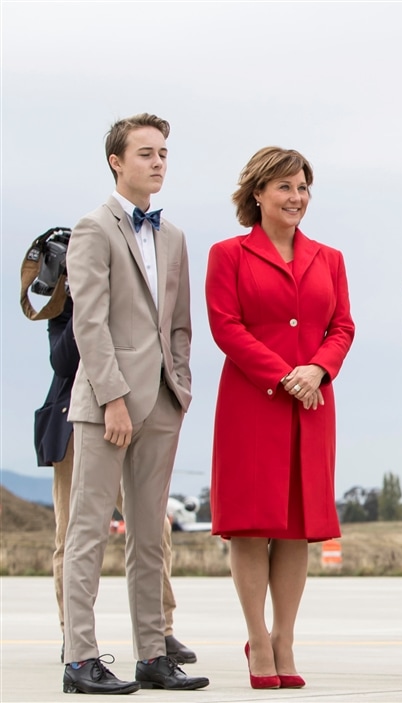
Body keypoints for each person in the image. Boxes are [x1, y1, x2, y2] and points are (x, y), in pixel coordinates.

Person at [60, 113, 207, 694]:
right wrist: (114, 398)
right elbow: (88, 325)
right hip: (105, 405)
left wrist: (181, 387)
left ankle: (153, 654)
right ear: (117, 162)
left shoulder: (173, 237)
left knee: (150, 535)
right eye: (146, 152)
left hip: (164, 404)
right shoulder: (93, 228)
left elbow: (178, 324)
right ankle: (80, 659)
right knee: (88, 532)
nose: (158, 161)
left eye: (164, 152)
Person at [206, 146, 355, 690]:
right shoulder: (228, 254)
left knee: (295, 531)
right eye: (285, 188)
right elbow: (227, 327)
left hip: (312, 403)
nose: (296, 198)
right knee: (250, 527)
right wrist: (284, 374)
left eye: (302, 188)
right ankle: (257, 639)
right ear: (258, 194)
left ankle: (284, 636)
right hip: (253, 404)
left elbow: (342, 326)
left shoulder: (329, 258)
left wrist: (316, 370)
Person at [32, 294, 197, 666]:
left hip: (134, 414)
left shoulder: (128, 299)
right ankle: (71, 633)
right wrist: (78, 304)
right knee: (71, 532)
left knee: (156, 527)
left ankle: (163, 631)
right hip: (78, 424)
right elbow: (63, 361)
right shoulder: (65, 309)